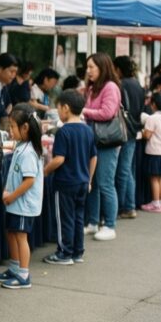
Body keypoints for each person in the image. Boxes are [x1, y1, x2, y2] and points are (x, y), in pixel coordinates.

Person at [43, 90, 97, 265]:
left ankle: (64, 252)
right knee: (78, 217)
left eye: (58, 108)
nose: (58, 111)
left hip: (66, 182)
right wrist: (89, 179)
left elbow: (59, 159)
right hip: (82, 181)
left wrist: (45, 171)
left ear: (66, 108)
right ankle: (77, 251)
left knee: (64, 217)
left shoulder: (63, 132)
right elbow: (93, 157)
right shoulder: (88, 130)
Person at [0, 106, 43, 289]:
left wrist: (12, 196)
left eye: (13, 127)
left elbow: (29, 181)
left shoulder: (29, 152)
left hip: (22, 204)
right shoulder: (22, 146)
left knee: (21, 236)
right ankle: (15, 267)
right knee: (12, 232)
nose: (10, 130)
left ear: (25, 128)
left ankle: (24, 274)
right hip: (15, 203)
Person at [82, 53, 122, 241]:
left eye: (92, 67)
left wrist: (84, 111)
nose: (88, 71)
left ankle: (110, 225)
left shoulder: (110, 87)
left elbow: (107, 113)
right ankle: (93, 222)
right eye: (87, 67)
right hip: (95, 140)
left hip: (107, 142)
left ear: (102, 67)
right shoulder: (92, 88)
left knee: (105, 183)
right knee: (94, 183)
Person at [114, 56, 144, 220]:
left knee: (123, 170)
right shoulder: (138, 84)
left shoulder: (121, 85)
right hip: (133, 130)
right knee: (128, 169)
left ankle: (124, 207)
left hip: (123, 130)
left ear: (118, 69)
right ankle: (129, 205)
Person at [141, 92, 161, 213]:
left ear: (153, 104)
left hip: (154, 152)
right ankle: (160, 202)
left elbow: (147, 135)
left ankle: (155, 203)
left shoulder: (152, 118)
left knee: (154, 178)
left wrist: (143, 131)